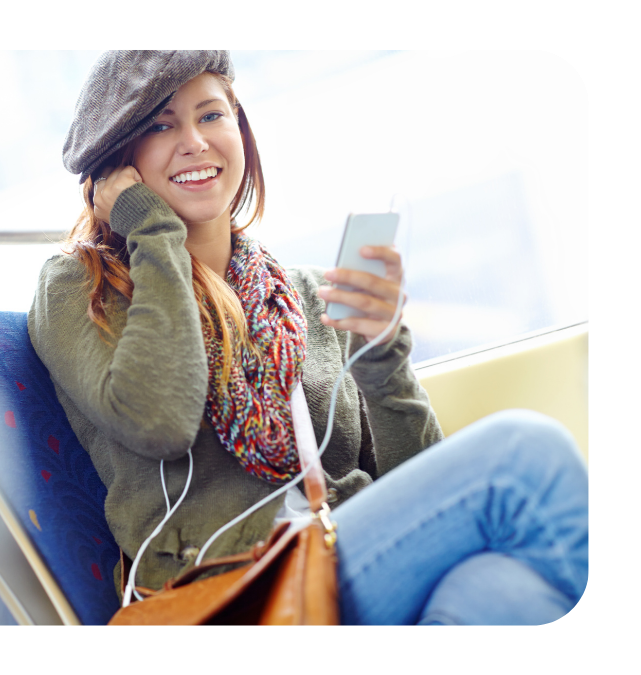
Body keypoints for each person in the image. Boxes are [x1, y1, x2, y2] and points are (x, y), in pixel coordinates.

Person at [29, 50, 588, 625]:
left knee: (498, 590)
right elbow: (160, 422)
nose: (195, 141)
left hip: (345, 553)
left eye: (212, 115)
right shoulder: (80, 288)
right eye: (161, 125)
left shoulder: (309, 298)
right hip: (236, 590)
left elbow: (413, 484)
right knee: (527, 453)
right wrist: (152, 231)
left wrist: (383, 357)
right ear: (116, 169)